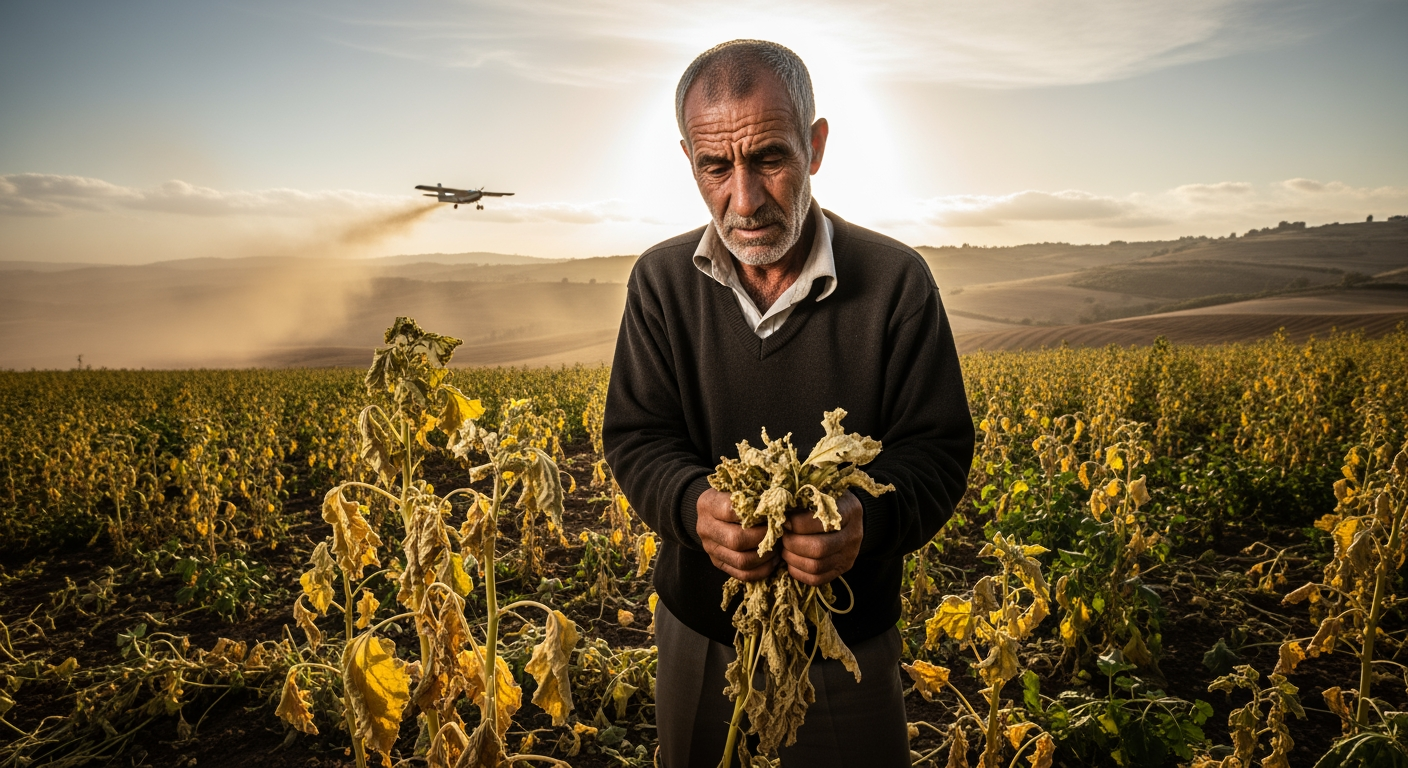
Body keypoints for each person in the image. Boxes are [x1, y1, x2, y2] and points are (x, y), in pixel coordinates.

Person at [602, 39, 974, 768]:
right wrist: (692, 508)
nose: (744, 199)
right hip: (700, 632)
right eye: (716, 167)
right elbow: (638, 437)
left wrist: (867, 523)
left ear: (816, 144)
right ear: (689, 161)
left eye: (770, 158)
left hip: (848, 639)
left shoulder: (898, 283)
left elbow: (937, 449)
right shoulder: (659, 283)